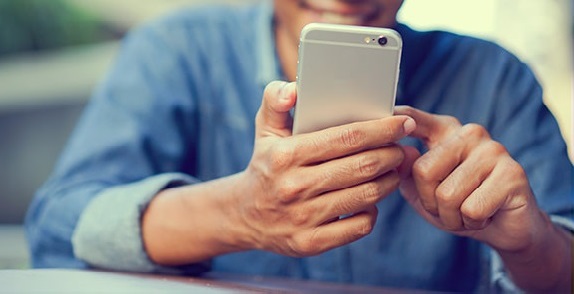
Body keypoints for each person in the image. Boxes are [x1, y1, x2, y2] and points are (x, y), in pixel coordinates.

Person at [25, 0, 573, 292]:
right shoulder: (178, 51)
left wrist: (531, 244)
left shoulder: (493, 77)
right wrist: (236, 215)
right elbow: (57, 227)